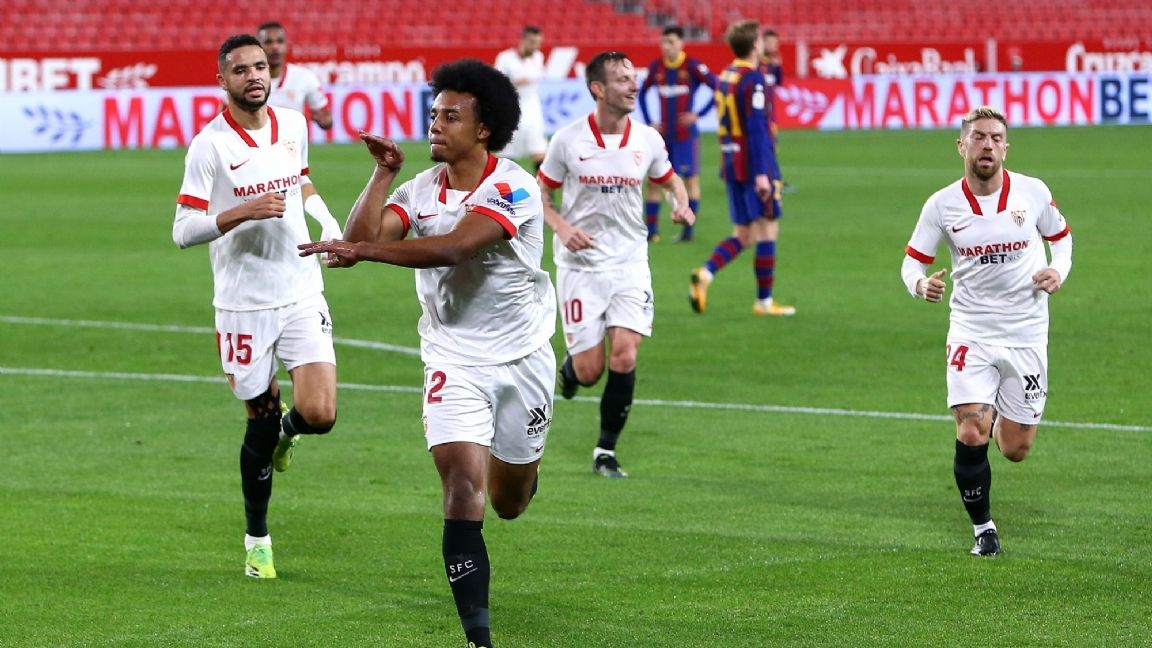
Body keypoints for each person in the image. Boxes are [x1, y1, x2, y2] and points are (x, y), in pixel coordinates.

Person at [298, 59, 555, 648]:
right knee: (463, 488)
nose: (435, 124)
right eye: (434, 114)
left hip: (522, 359)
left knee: (509, 503)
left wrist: (364, 252)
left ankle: (523, 472)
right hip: (451, 360)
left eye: (451, 116)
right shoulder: (419, 188)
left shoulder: (514, 186)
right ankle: (479, 638)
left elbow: (455, 247)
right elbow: (359, 239)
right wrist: (384, 173)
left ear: (484, 129)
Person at [172, 34, 341, 579]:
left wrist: (326, 219)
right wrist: (241, 211)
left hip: (301, 288)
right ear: (222, 79)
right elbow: (182, 230)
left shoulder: (293, 124)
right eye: (241, 69)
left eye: (260, 67)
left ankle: (292, 431)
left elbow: (302, 179)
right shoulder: (209, 146)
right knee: (259, 424)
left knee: (320, 414)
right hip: (244, 304)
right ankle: (258, 540)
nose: (254, 76)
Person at [900, 106, 1073, 557]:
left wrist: (1059, 270)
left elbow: (1061, 237)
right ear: (962, 145)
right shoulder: (942, 205)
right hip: (971, 330)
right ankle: (984, 530)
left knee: (1016, 448)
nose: (987, 145)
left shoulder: (1032, 192)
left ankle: (995, 415)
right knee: (971, 431)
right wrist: (920, 284)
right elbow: (912, 262)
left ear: (1006, 148)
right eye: (978, 137)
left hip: (1026, 332)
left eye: (996, 138)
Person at [539, 51, 695, 478]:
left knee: (624, 356)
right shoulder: (567, 140)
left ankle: (605, 451)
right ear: (598, 89)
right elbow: (542, 193)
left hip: (629, 263)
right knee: (590, 372)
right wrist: (561, 227)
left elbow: (671, 180)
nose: (633, 85)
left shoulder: (647, 139)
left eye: (633, 77)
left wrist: (680, 204)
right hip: (581, 266)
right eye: (623, 79)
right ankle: (572, 371)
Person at [690, 20, 794, 317]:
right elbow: (757, 127)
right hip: (754, 164)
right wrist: (762, 173)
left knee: (744, 233)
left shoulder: (727, 74)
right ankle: (764, 302)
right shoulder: (753, 79)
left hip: (730, 162)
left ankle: (705, 274)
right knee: (767, 229)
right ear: (754, 45)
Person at [638, 25, 716, 243]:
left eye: (671, 42)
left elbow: (717, 87)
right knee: (653, 181)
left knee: (690, 180)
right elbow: (642, 93)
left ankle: (687, 231)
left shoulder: (692, 66)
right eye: (663, 42)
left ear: (681, 43)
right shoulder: (657, 67)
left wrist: (698, 114)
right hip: (662, 137)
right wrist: (650, 121)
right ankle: (651, 232)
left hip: (685, 136)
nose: (666, 46)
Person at [257, 21, 333, 131]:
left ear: (286, 46)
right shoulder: (248, 79)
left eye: (280, 41)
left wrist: (325, 119)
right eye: (268, 42)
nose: (275, 47)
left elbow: (326, 118)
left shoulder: (305, 77)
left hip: (292, 142)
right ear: (258, 47)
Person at [494, 26, 547, 171]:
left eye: (538, 43)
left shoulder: (538, 57)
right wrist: (514, 83)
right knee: (508, 153)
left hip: (533, 110)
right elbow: (496, 83)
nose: (535, 46)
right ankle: (506, 183)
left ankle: (542, 185)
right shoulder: (505, 58)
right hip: (511, 110)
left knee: (539, 149)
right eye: (532, 42)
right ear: (522, 40)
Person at [758, 28, 795, 195]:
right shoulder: (757, 64)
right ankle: (773, 179)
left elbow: (778, 82)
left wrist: (778, 66)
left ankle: (773, 178)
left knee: (772, 148)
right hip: (760, 116)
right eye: (770, 42)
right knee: (765, 147)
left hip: (770, 116)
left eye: (775, 42)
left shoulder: (772, 65)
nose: (773, 45)